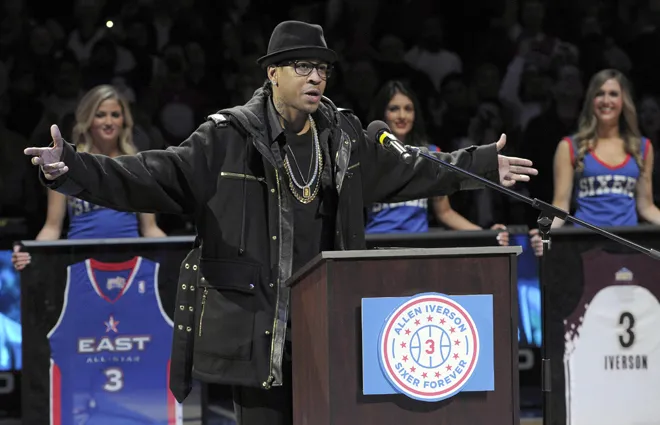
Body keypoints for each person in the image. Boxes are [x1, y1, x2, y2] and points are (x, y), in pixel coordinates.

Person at [24, 21, 537, 425]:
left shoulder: (343, 138)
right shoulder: (227, 139)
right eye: (302, 67)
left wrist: (481, 165)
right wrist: (72, 168)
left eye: (322, 69)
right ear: (272, 73)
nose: (316, 78)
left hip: (330, 326)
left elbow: (413, 168)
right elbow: (148, 173)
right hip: (260, 331)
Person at [12, 85, 166, 270]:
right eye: (100, 115)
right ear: (88, 119)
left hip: (129, 265)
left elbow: (150, 229)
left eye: (115, 115)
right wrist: (31, 253)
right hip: (81, 265)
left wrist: (182, 253)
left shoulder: (137, 166)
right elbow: (52, 228)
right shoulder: (66, 165)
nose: (108, 122)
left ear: (124, 120)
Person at [530, 69, 660, 256]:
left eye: (613, 94)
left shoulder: (642, 148)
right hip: (585, 248)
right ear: (591, 100)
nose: (606, 101)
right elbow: (560, 205)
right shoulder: (570, 146)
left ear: (624, 101)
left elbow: (646, 207)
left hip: (628, 248)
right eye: (599, 94)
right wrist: (544, 234)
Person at [365, 80, 510, 245]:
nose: (402, 116)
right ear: (382, 114)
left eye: (408, 109)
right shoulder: (369, 154)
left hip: (417, 247)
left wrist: (486, 234)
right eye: (394, 109)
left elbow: (444, 213)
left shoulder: (429, 154)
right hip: (375, 244)